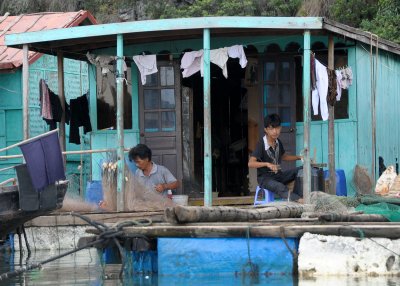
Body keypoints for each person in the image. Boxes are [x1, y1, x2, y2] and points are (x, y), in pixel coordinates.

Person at [248, 114, 303, 203]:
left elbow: (284, 156)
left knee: (301, 170)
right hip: (265, 179)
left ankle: (299, 196)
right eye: (271, 128)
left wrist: (299, 157)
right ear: (266, 130)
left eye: (277, 128)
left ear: (280, 128)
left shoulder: (278, 142)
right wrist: (267, 164)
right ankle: (300, 200)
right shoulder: (261, 144)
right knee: (279, 187)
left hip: (278, 176)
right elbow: (250, 163)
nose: (275, 131)